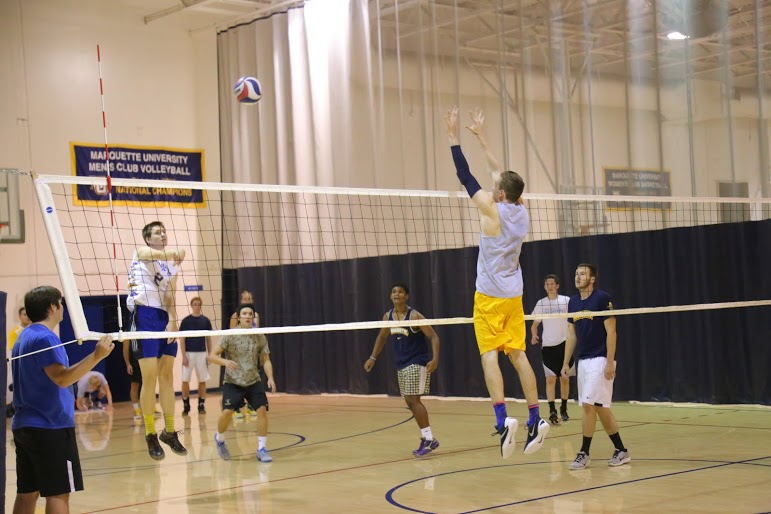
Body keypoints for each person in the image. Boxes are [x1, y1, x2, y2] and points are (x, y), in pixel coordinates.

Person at [445, 106, 549, 458]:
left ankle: (504, 420)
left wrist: (454, 136)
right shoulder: (523, 209)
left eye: (497, 186)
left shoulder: (491, 209)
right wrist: (482, 136)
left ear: (502, 193)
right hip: (514, 296)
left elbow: (465, 175)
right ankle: (536, 418)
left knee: (489, 355)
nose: (493, 185)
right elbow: (497, 171)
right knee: (519, 356)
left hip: (489, 297)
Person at [11, 285, 113, 514]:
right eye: (60, 302)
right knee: (58, 493)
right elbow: (62, 378)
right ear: (52, 307)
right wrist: (97, 356)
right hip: (50, 426)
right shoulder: (45, 338)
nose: (63, 307)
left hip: (26, 426)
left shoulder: (24, 337)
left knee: (27, 493)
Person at [127, 220, 187, 460]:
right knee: (149, 376)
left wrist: (173, 319)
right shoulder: (140, 253)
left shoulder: (169, 265)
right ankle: (150, 433)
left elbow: (170, 295)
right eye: (157, 233)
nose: (163, 235)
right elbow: (145, 253)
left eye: (164, 232)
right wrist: (176, 252)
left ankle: (169, 431)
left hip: (163, 317)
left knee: (167, 375)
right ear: (148, 238)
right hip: (144, 315)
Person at [562, 263, 630, 470]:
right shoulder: (573, 302)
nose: (578, 277)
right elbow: (571, 333)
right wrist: (566, 362)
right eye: (576, 273)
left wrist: (610, 362)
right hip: (583, 361)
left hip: (600, 359)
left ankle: (584, 452)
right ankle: (621, 450)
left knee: (589, 407)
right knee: (600, 408)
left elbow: (612, 331)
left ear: (592, 279)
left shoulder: (601, 298)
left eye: (582, 274)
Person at [364, 282, 441, 457]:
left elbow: (434, 337)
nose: (397, 294)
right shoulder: (387, 316)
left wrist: (435, 359)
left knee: (413, 400)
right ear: (390, 296)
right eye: (394, 292)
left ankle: (428, 439)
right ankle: (429, 438)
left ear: (406, 296)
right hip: (401, 363)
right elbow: (382, 337)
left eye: (400, 292)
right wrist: (372, 357)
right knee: (409, 401)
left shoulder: (414, 316)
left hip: (417, 361)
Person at [210, 303, 275, 462]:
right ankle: (220, 439)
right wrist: (225, 362)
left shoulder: (259, 335)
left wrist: (271, 378)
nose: (247, 316)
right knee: (227, 413)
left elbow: (266, 360)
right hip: (233, 382)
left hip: (253, 380)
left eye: (250, 314)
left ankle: (261, 449)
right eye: (244, 313)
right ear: (239, 317)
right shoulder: (230, 335)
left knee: (261, 411)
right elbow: (212, 356)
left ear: (253, 317)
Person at [530, 274, 573, 425]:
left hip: (564, 345)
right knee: (550, 380)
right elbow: (534, 324)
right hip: (548, 347)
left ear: (557, 286)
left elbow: (573, 320)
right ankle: (552, 410)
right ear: (544, 287)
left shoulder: (566, 301)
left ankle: (564, 408)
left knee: (565, 379)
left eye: (552, 283)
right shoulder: (541, 304)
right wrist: (534, 335)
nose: (549, 286)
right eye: (547, 284)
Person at [179, 297, 213, 415]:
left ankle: (201, 405)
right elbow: (182, 340)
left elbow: (208, 339)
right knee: (185, 380)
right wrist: (183, 356)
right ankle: (186, 405)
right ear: (191, 305)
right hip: (189, 353)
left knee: (202, 380)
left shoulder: (205, 321)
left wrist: (210, 354)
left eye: (199, 304)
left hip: (202, 354)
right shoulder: (186, 321)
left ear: (201, 305)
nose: (197, 306)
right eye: (195, 304)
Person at [229, 289, 258, 419]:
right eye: (244, 299)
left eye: (249, 299)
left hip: (250, 350)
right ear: (241, 301)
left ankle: (251, 405)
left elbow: (256, 332)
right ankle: (236, 407)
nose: (246, 301)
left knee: (252, 376)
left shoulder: (255, 315)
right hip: (238, 351)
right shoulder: (236, 316)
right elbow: (230, 335)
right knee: (237, 378)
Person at [123, 339, 143, 420]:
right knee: (135, 385)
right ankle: (136, 409)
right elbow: (125, 349)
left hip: (145, 358)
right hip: (134, 361)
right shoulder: (128, 329)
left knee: (149, 383)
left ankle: (151, 407)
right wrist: (128, 364)